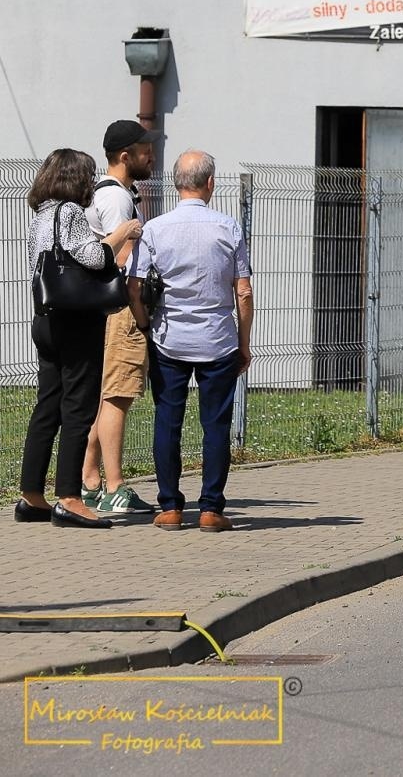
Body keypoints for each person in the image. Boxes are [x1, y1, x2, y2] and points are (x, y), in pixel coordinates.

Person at [128, 151, 253, 533]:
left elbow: (133, 285)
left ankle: (169, 507)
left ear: (177, 183)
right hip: (218, 339)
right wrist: (243, 342)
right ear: (210, 183)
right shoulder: (228, 228)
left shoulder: (155, 229)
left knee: (168, 421)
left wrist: (146, 324)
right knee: (215, 425)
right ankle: (211, 509)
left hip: (169, 338)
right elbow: (243, 292)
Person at [17, 149, 141, 528]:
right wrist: (123, 233)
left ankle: (31, 495)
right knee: (78, 408)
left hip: (47, 319)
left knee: (48, 405)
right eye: (87, 176)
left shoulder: (41, 215)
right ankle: (70, 497)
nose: (90, 182)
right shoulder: (69, 211)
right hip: (76, 322)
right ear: (74, 178)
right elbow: (93, 258)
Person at [81, 120, 157, 515]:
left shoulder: (110, 194)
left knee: (105, 397)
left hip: (104, 311)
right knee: (117, 397)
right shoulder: (117, 201)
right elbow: (118, 261)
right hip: (120, 310)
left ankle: (90, 478)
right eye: (145, 150)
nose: (152, 156)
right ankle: (114, 487)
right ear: (125, 156)